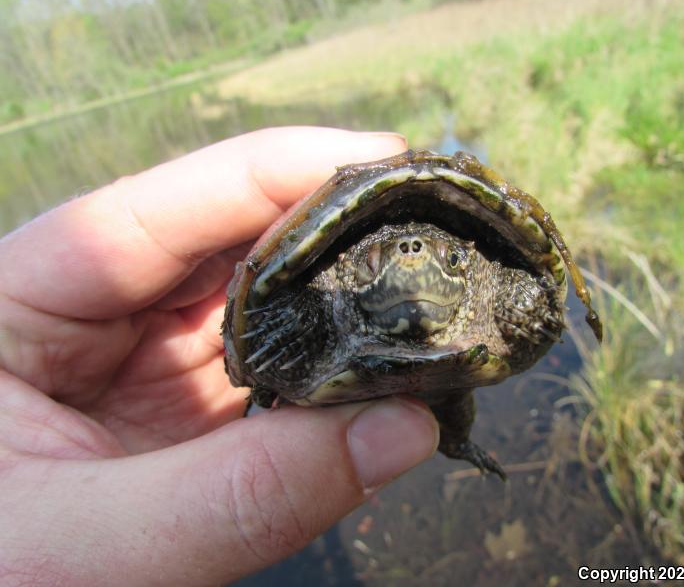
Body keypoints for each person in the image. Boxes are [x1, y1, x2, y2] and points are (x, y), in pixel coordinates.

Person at [0, 127, 439, 585]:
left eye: (445, 262)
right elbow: (264, 310)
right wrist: (265, 364)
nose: (411, 260)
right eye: (378, 263)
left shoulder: (494, 292)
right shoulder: (318, 302)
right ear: (359, 266)